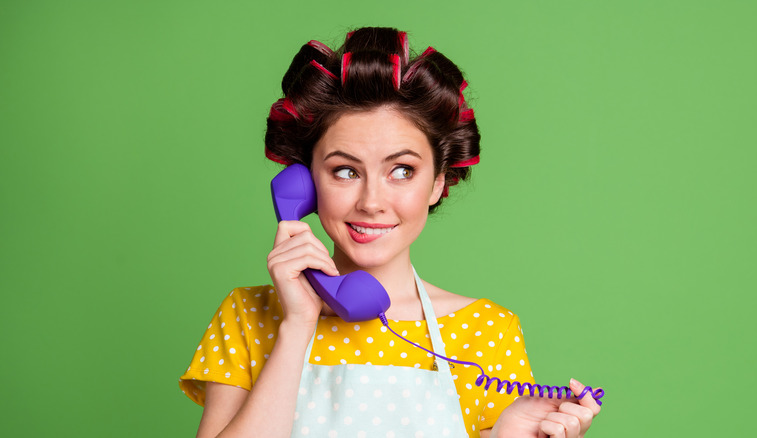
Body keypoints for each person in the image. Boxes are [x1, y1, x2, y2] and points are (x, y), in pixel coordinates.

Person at [179, 27, 601, 438]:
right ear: (305, 184)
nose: (371, 202)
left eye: (402, 171)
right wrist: (297, 324)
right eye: (345, 171)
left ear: (438, 183)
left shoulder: (487, 329)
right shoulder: (248, 316)